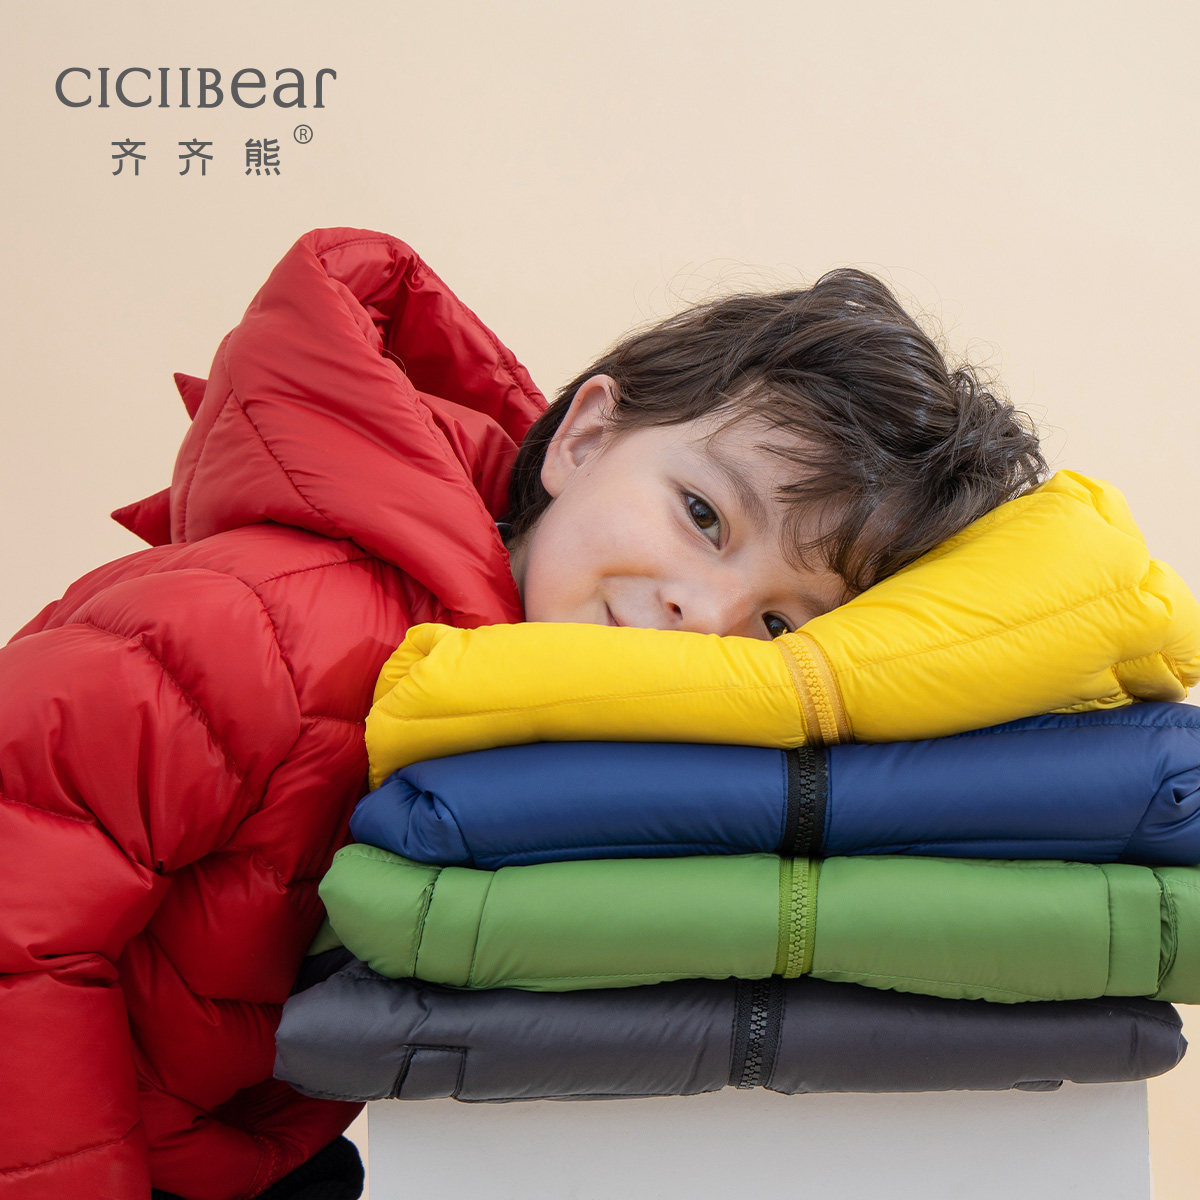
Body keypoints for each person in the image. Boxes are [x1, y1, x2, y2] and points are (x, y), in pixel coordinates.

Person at [0, 227, 1042, 1200]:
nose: (706, 614)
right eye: (702, 515)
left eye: (778, 622)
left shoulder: (582, 730)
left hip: (235, 1151)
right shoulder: (265, 624)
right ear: (584, 438)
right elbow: (19, 916)